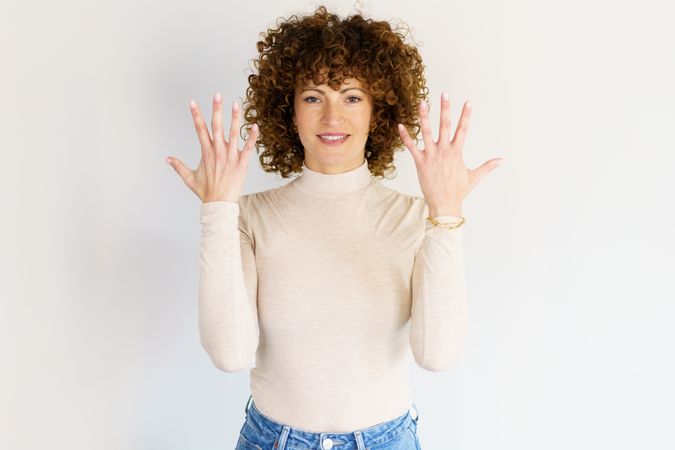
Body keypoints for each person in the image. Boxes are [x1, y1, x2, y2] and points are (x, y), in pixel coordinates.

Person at [166, 5, 503, 449]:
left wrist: (444, 217)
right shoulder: (249, 216)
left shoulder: (415, 218)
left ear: (377, 112)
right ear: (288, 111)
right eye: (313, 97)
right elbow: (230, 354)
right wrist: (218, 210)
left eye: (351, 97)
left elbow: (436, 356)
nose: (331, 117)